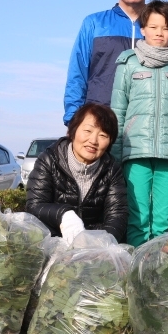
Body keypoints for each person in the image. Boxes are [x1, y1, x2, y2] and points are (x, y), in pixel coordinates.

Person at [110, 0, 168, 247]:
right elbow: (117, 110)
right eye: (153, 27)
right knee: (137, 217)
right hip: (134, 152)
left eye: (166, 27)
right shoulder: (128, 63)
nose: (159, 33)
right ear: (142, 29)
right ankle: (136, 263)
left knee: (162, 219)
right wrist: (114, 153)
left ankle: (157, 264)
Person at [63, 0, 153, 125]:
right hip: (101, 121)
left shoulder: (161, 27)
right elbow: (77, 73)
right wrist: (72, 119)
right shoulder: (94, 23)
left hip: (145, 124)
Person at [26, 103, 128, 245]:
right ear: (72, 131)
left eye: (103, 135)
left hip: (94, 246)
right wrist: (64, 214)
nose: (93, 141)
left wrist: (101, 243)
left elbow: (117, 215)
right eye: (88, 131)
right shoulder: (49, 160)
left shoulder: (112, 169)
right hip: (53, 243)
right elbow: (34, 206)